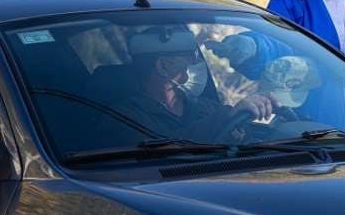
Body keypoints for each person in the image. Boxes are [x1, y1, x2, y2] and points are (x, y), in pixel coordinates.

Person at [115, 26, 275, 143]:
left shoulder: (205, 107)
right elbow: (164, 150)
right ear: (163, 66)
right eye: (190, 57)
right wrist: (228, 116)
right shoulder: (123, 118)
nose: (198, 63)